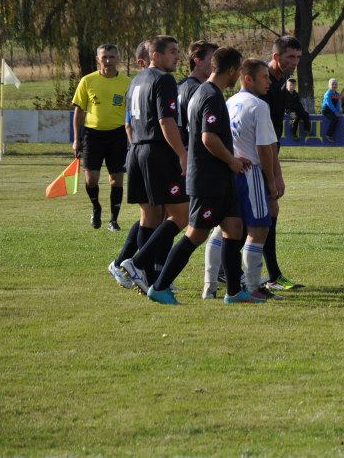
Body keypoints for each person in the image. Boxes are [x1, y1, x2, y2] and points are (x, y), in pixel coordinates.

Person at [146, 47, 252, 304]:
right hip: (208, 179)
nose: (237, 75)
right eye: (237, 70)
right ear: (231, 70)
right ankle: (159, 287)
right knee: (196, 233)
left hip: (220, 177)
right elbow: (208, 137)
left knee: (234, 227)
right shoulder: (209, 95)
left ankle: (234, 292)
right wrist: (231, 160)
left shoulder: (207, 91)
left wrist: (233, 161)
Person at [119, 36, 189, 293]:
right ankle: (137, 263)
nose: (177, 57)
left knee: (149, 216)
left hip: (136, 149)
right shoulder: (163, 79)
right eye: (172, 52)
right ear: (155, 55)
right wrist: (182, 154)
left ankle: (146, 278)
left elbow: (128, 122)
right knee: (180, 215)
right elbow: (166, 122)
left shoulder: (135, 80)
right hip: (157, 152)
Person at [258, 35, 304, 292]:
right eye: (290, 57)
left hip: (270, 152)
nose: (295, 62)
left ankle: (272, 274)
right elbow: (263, 136)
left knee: (264, 213)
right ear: (276, 57)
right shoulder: (264, 85)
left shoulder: (281, 83)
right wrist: (275, 173)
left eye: (298, 58)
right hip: (259, 156)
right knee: (252, 217)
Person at [72, 43, 131, 232]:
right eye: (104, 57)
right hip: (92, 135)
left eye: (112, 57)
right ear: (98, 59)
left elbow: (132, 112)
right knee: (91, 179)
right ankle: (96, 208)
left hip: (118, 135)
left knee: (116, 180)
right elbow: (79, 112)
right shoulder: (87, 81)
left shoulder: (127, 83)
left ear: (117, 58)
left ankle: (113, 220)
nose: (108, 60)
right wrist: (76, 139)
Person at [107, 41, 151, 289]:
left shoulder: (138, 83)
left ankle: (130, 263)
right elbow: (128, 124)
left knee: (153, 214)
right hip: (143, 153)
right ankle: (132, 264)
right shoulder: (139, 84)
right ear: (142, 62)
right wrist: (138, 148)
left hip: (142, 153)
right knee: (153, 214)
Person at [177, 40, 218, 145]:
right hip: (192, 150)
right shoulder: (199, 90)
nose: (216, 65)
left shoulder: (180, 84)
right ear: (198, 61)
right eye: (212, 60)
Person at [321, 78, 342, 142]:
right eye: (332, 84)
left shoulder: (337, 94)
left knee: (337, 118)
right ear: (329, 85)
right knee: (334, 119)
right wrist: (335, 112)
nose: (334, 86)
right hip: (326, 110)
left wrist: (338, 111)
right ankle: (328, 135)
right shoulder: (328, 94)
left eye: (335, 84)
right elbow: (329, 104)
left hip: (332, 110)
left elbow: (338, 103)